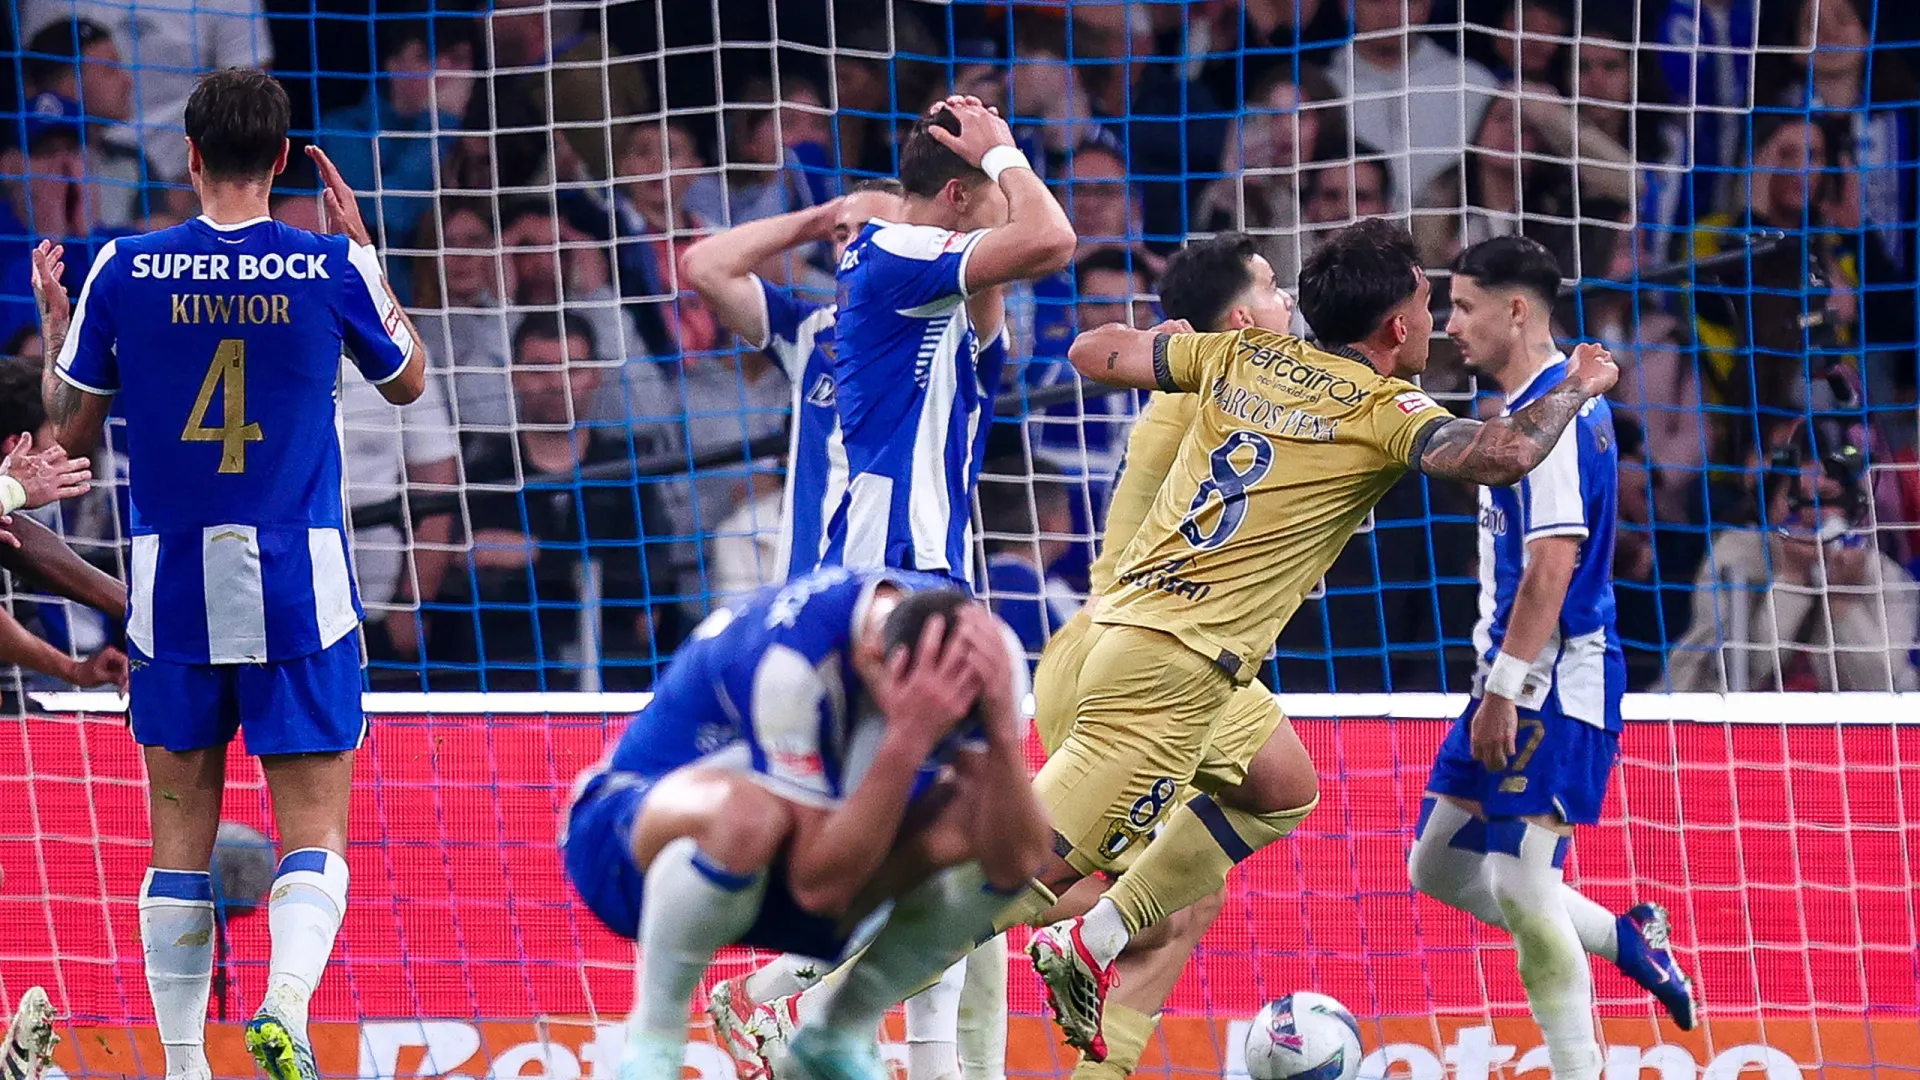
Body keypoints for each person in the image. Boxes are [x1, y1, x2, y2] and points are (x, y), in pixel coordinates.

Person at [1024, 218, 1620, 1057]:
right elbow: (1504, 452)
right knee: (1016, 884)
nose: (1438, 318)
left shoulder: (1232, 360)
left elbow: (1091, 351)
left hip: (1126, 641)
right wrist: (1581, 384)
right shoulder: (1382, 408)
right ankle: (799, 988)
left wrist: (1161, 343)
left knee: (1268, 805)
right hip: (1165, 662)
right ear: (1396, 326)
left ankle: (1092, 938)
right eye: (1426, 300)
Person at [29, 70, 428, 1080]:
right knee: (316, 828)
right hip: (300, 578)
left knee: (177, 839)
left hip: (171, 588)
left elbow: (65, 439)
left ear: (190, 156)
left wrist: (56, 324)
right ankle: (286, 1005)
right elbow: (409, 378)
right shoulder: (329, 266)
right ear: (286, 160)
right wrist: (368, 251)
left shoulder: (123, 268)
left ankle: (181, 1065)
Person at [560, 567, 1048, 1080]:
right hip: (622, 845)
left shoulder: (983, 660)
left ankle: (835, 1036)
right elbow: (819, 889)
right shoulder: (791, 661)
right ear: (875, 660)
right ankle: (654, 1042)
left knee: (981, 825)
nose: (944, 735)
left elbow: (1022, 860)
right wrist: (908, 736)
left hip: (786, 866)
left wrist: (999, 741)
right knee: (750, 817)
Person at [1409, 236, 1699, 1080]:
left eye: (1463, 306)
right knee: (1436, 866)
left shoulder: (1561, 419)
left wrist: (1503, 688)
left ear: (1516, 309)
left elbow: (1553, 564)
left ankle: (1581, 1068)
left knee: (1522, 886)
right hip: (1507, 677)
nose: (1450, 324)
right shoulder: (1531, 411)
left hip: (1552, 683)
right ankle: (1626, 937)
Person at [824, 95, 1076, 587]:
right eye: (998, 189)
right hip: (889, 553)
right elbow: (1053, 240)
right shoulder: (894, 248)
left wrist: (980, 138)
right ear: (958, 196)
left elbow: (1007, 261)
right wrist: (1005, 157)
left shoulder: (941, 297)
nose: (1012, 199)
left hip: (922, 552)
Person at [679, 179, 908, 581]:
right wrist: (818, 220)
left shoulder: (952, 331)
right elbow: (703, 265)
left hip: (908, 581)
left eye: (870, 231)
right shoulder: (810, 334)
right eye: (842, 236)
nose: (852, 245)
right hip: (809, 584)